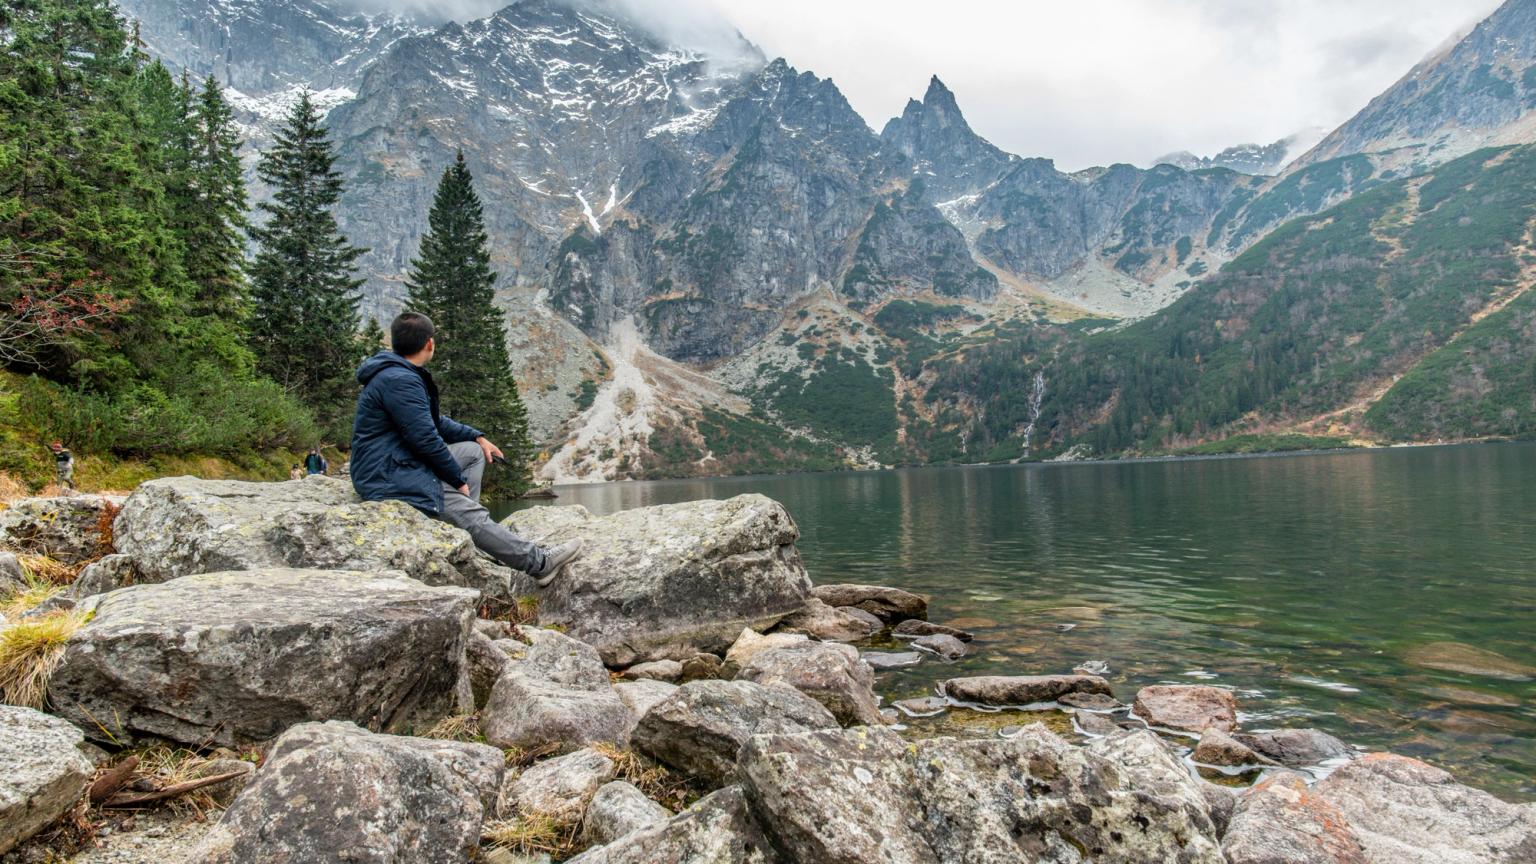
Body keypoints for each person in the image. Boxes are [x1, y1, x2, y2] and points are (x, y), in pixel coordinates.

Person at [350, 312, 581, 585]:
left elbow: (434, 423)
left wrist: (477, 436)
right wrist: (456, 480)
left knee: (473, 452)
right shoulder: (400, 380)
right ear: (429, 344)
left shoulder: (398, 373)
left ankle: (474, 535)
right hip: (388, 474)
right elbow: (425, 438)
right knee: (467, 509)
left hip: (398, 463)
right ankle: (539, 563)